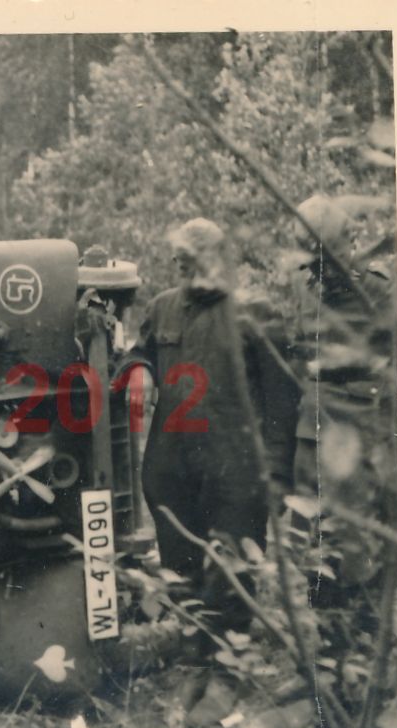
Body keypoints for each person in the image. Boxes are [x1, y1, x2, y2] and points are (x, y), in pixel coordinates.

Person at [132, 218, 300, 631]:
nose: (186, 270)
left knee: (230, 580)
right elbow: (137, 353)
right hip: (172, 470)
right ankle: (189, 647)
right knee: (180, 573)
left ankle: (229, 659)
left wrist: (277, 475)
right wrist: (138, 369)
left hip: (235, 476)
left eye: (195, 260)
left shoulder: (256, 313)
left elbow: (282, 402)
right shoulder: (162, 308)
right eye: (180, 262)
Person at [285, 195, 394, 497]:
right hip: (313, 429)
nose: (322, 274)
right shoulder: (302, 285)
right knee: (307, 517)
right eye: (314, 266)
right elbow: (297, 351)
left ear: (350, 241)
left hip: (363, 430)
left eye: (329, 263)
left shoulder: (381, 287)